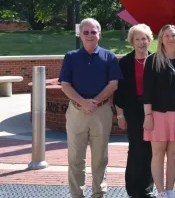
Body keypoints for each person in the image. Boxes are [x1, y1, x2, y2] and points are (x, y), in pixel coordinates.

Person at [59, 18, 122, 198]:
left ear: (99, 35)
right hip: (76, 112)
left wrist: (94, 101)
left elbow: (113, 84)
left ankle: (98, 194)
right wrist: (83, 102)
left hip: (101, 112)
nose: (89, 35)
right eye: (85, 32)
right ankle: (77, 194)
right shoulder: (71, 57)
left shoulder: (109, 56)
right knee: (75, 158)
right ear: (80, 34)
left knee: (100, 158)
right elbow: (65, 85)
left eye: (93, 32)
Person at [142, 25, 175, 198]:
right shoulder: (152, 60)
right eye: (167, 35)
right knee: (157, 154)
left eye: (174, 35)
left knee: (173, 156)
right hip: (157, 115)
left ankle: (170, 191)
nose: (171, 38)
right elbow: (147, 90)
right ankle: (161, 192)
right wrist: (147, 116)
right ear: (161, 39)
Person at [113, 24, 156, 198]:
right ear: (132, 42)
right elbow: (119, 91)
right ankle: (133, 189)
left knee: (152, 149)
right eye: (137, 39)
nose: (141, 42)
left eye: (144, 38)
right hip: (133, 109)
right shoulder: (125, 62)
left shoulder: (156, 59)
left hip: (154, 110)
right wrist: (120, 114)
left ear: (149, 40)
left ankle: (147, 189)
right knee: (136, 148)